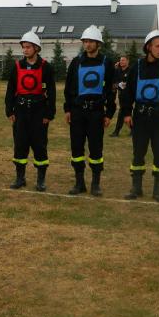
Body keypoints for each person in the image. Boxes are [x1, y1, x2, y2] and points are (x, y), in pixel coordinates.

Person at [120, 30, 159, 202]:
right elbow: (127, 92)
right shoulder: (137, 67)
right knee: (138, 152)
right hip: (140, 117)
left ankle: (158, 190)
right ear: (148, 47)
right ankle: (136, 188)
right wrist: (126, 113)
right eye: (158, 46)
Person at [63, 25, 115, 196]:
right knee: (76, 149)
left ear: (98, 43)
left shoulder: (107, 63)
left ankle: (95, 184)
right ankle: (79, 183)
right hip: (78, 112)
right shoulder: (76, 62)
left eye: (91, 41)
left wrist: (109, 113)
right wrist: (68, 109)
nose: (87, 44)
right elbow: (69, 88)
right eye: (85, 41)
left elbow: (111, 91)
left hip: (96, 112)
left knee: (96, 149)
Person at [5, 31, 56, 191]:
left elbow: (52, 92)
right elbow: (10, 90)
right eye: (24, 47)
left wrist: (49, 114)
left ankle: (41, 180)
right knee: (20, 144)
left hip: (38, 113)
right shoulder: (17, 66)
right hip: (20, 111)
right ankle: (20, 178)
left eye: (28, 47)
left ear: (36, 48)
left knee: (39, 145)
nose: (25, 50)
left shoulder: (46, 67)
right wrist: (9, 111)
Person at [109, 55, 130, 137]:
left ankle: (116, 131)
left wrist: (124, 84)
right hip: (121, 94)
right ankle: (133, 130)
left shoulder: (130, 71)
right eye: (121, 60)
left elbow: (131, 82)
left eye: (123, 60)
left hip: (129, 94)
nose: (121, 62)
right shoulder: (118, 70)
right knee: (125, 112)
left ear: (127, 61)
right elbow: (114, 82)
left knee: (122, 111)